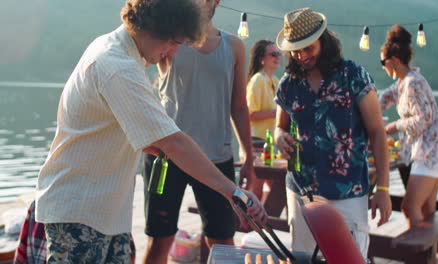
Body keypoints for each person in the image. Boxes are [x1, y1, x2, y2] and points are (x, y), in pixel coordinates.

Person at [34, 0, 267, 263]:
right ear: (156, 29)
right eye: (175, 43)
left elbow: (137, 133)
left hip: (106, 212)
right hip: (81, 211)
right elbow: (174, 143)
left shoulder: (120, 52)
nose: (174, 53)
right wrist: (234, 192)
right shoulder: (117, 66)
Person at [141, 0, 257, 263]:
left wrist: (249, 157)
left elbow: (239, 107)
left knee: (223, 242)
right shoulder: (170, 39)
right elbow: (136, 73)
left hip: (216, 157)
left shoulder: (234, 46)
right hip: (168, 156)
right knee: (159, 241)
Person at [273, 8, 392, 258]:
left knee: (349, 260)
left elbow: (378, 133)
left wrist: (383, 189)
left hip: (347, 193)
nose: (301, 55)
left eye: (308, 48)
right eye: (295, 49)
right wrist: (278, 136)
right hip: (301, 191)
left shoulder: (354, 76)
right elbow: (279, 126)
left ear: (323, 42)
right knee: (303, 258)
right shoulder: (288, 83)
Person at [379, 25, 438, 227]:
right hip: (431, 152)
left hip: (430, 153)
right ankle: (429, 258)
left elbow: (423, 120)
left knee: (409, 208)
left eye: (382, 62)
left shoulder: (413, 83)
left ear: (394, 61)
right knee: (427, 211)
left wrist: (395, 125)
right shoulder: (402, 83)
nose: (382, 66)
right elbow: (381, 101)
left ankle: (416, 255)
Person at [244, 39, 281, 199]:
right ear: (261, 59)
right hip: (256, 141)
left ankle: (261, 222)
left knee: (276, 188)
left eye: (278, 53)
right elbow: (249, 115)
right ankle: (247, 223)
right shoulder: (257, 80)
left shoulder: (275, 81)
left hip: (270, 142)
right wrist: (276, 113)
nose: (277, 57)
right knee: (256, 189)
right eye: (273, 54)